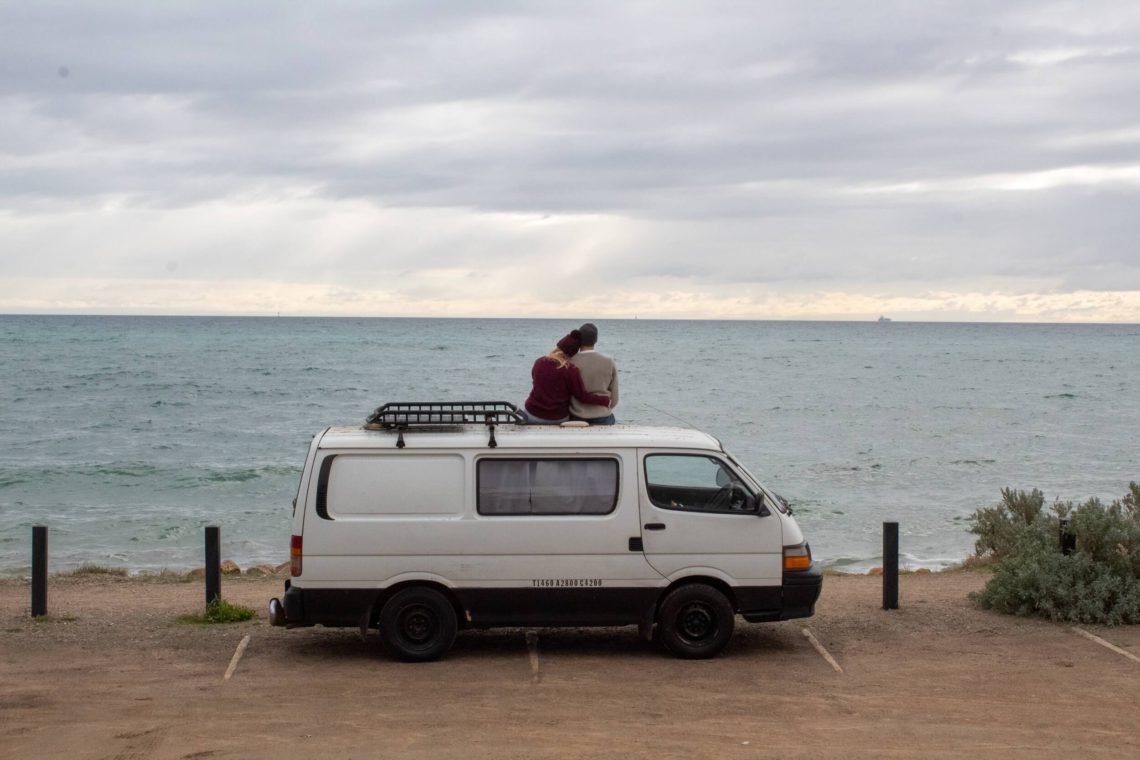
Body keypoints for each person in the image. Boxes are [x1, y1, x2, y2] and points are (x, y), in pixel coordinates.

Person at [522, 330, 612, 424]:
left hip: (532, 414)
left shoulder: (539, 362)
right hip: (557, 418)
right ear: (572, 354)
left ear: (558, 347)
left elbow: (535, 382)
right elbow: (582, 396)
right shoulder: (571, 370)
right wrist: (605, 400)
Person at [569, 322, 619, 425]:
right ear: (595, 340)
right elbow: (614, 398)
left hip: (576, 416)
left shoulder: (570, 362)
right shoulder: (608, 362)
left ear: (579, 340)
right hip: (603, 416)